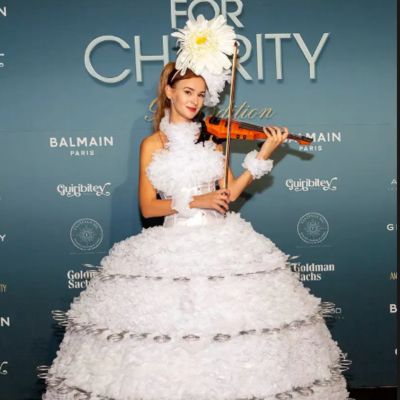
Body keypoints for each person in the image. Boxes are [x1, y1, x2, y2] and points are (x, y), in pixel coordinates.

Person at [40, 15, 350, 400]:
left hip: (222, 244)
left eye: (201, 95)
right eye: (188, 91)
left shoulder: (213, 140)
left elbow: (229, 193)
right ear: (169, 91)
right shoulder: (153, 145)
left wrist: (263, 153)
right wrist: (195, 201)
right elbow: (148, 208)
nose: (195, 101)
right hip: (171, 249)